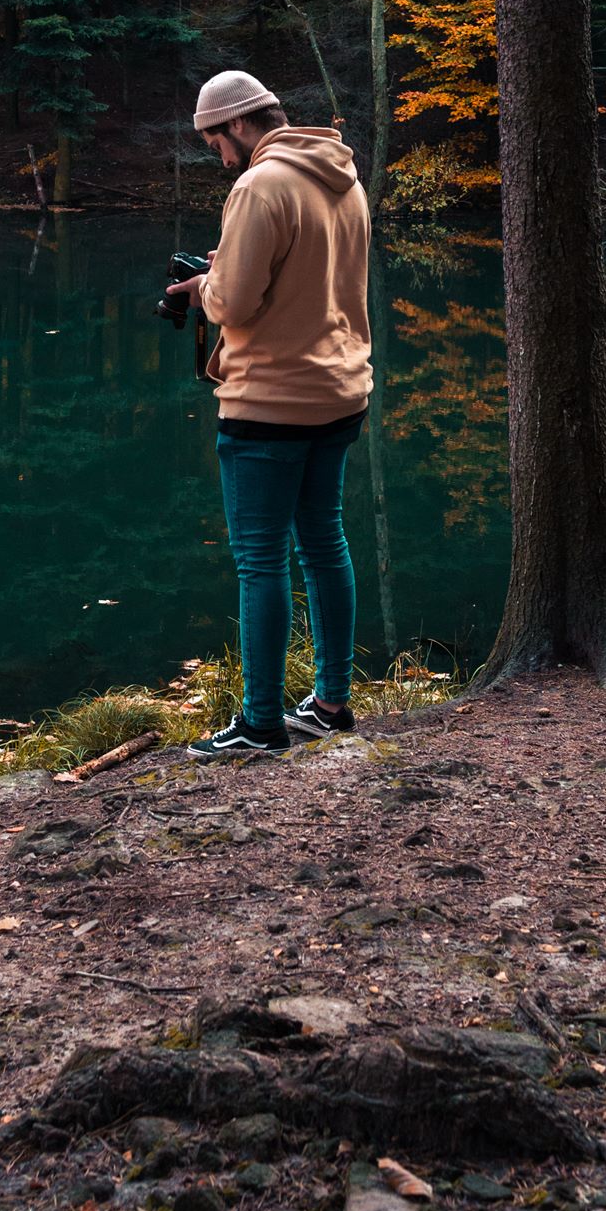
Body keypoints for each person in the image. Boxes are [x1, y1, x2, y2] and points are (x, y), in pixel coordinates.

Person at [168, 70, 373, 759]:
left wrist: (203, 286)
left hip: (269, 400)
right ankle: (331, 701)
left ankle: (259, 724)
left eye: (213, 140)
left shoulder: (259, 185)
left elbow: (233, 306)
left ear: (235, 125)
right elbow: (309, 276)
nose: (216, 155)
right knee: (324, 542)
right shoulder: (340, 176)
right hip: (337, 390)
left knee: (260, 561)